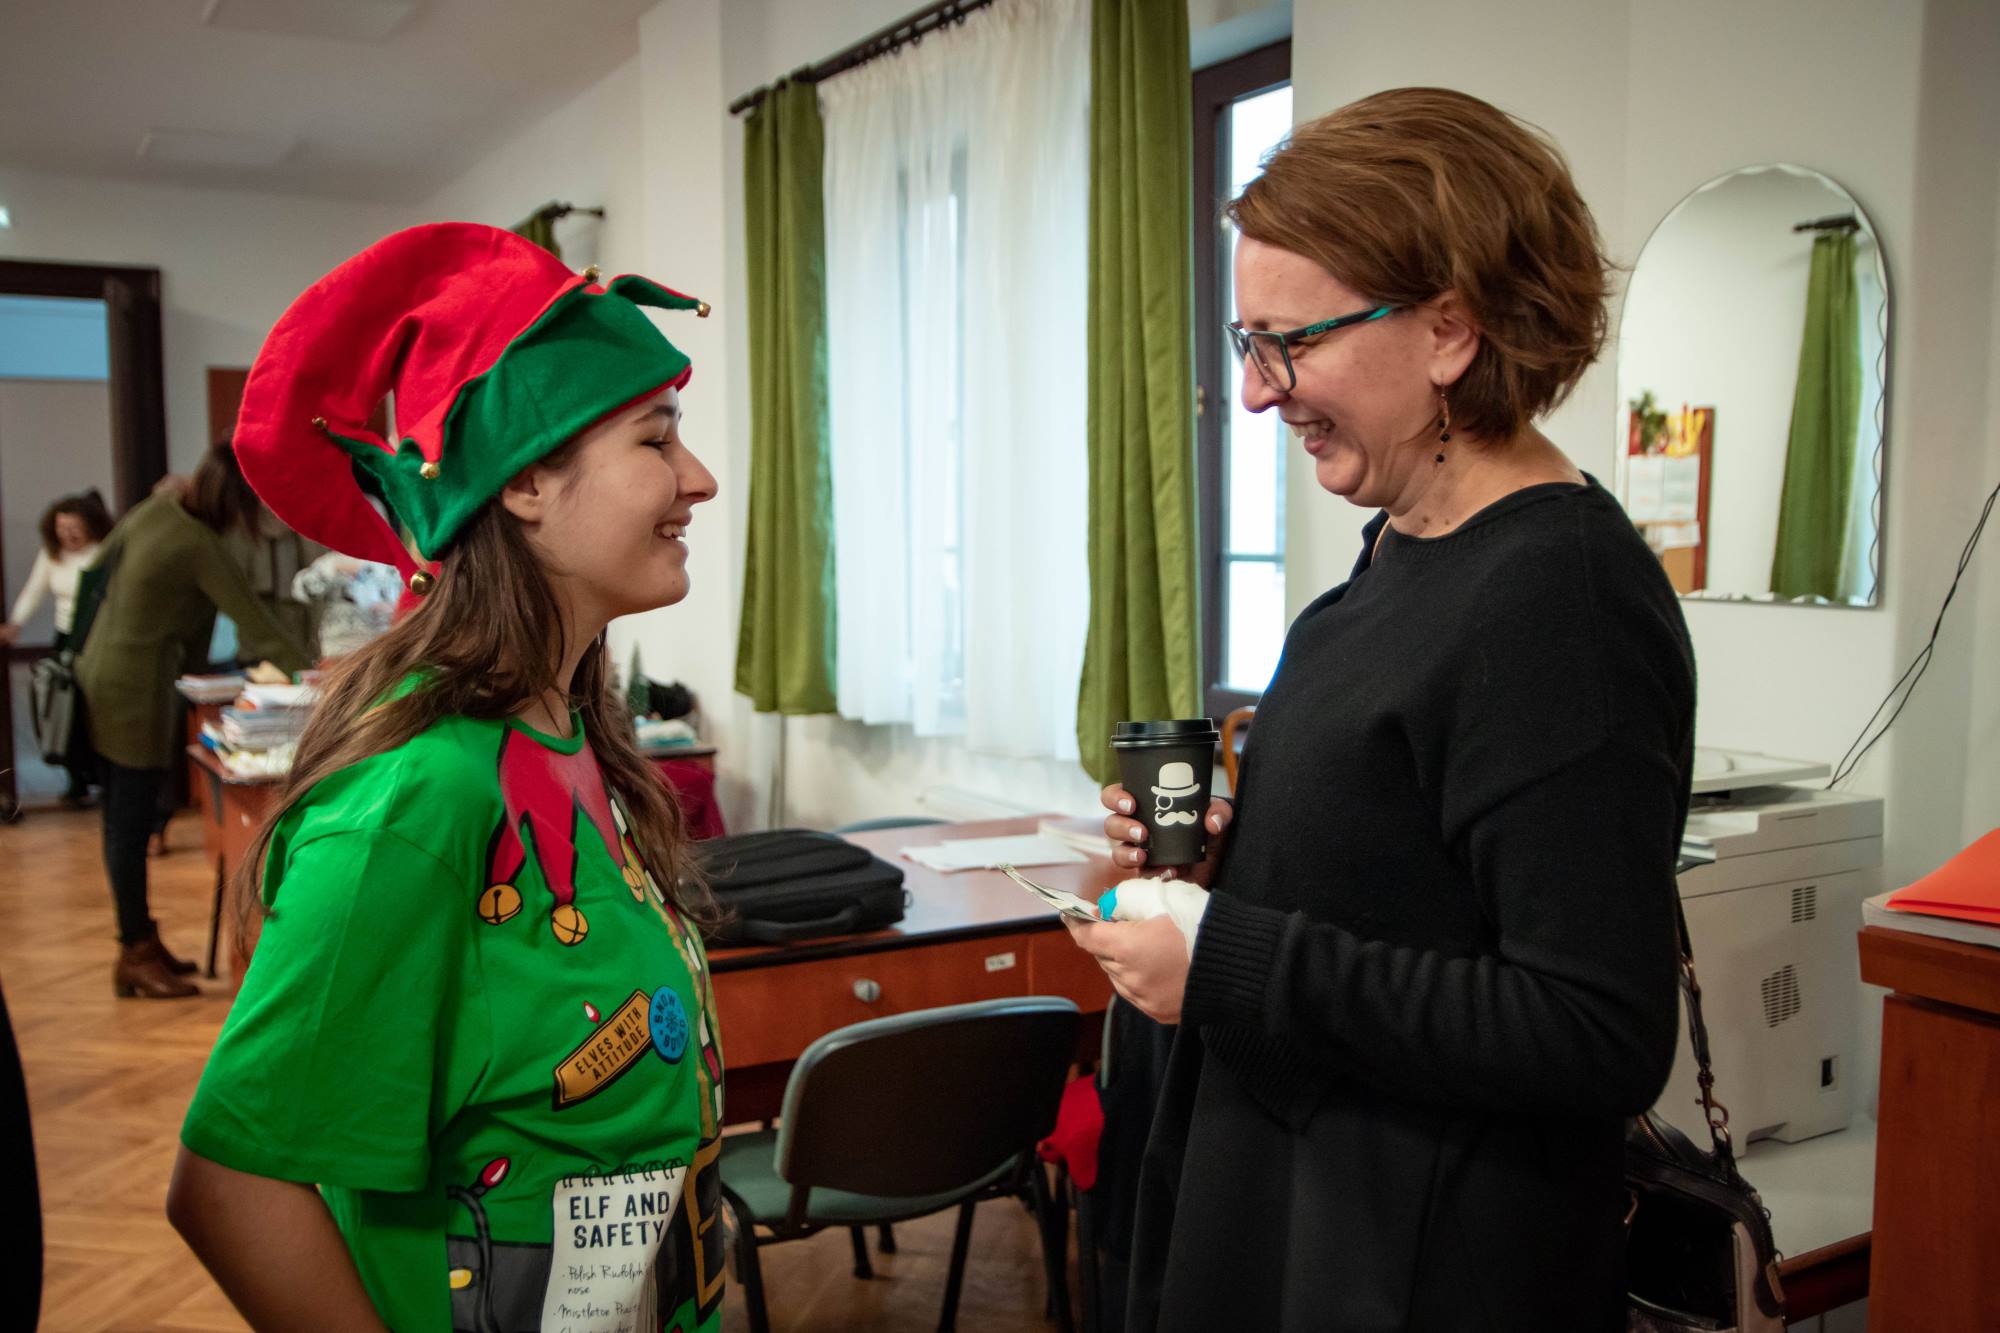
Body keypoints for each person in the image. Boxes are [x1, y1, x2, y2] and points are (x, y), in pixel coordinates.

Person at [1064, 88, 1694, 1331]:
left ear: (1448, 329)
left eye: (1287, 343)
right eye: (1248, 344)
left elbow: (1591, 1030)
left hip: (1411, 1267)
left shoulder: (1557, 596)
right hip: (1302, 1208)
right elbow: (1407, 890)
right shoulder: (1399, 549)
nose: (1258, 395)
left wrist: (1226, 958)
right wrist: (1229, 868)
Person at [168, 223, 725, 1333]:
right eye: (656, 438)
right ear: (524, 480)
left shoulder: (569, 736)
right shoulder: (417, 796)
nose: (698, 478)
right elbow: (232, 1185)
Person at [74, 443, 313, 999]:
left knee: (120, 818)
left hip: (98, 671)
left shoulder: (158, 510)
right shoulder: (199, 544)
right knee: (129, 822)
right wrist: (328, 680)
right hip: (133, 690)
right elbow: (259, 627)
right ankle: (134, 951)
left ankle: (139, 938)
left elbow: (95, 567)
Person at [3, 491, 114, 804]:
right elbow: (33, 592)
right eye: (61, 528)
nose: (68, 535)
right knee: (64, 709)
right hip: (64, 637)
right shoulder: (52, 555)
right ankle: (75, 777)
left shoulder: (103, 552)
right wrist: (15, 624)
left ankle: (103, 776)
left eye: (74, 527)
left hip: (97, 637)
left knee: (96, 708)